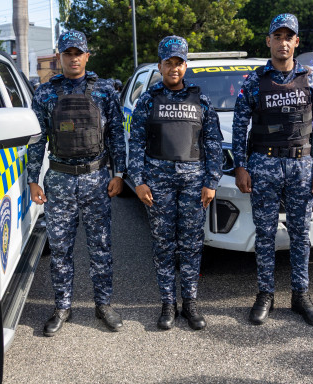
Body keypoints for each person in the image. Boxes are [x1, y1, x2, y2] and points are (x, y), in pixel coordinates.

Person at [232, 13, 313, 328]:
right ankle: (265, 294)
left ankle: (301, 295)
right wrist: (240, 166)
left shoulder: (312, 79)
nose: (283, 43)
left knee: (301, 234)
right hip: (263, 165)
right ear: (269, 41)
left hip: (302, 167)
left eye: (289, 37)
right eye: (278, 37)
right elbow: (239, 126)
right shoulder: (254, 81)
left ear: (296, 42)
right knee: (264, 234)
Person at [28, 29, 127, 337]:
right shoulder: (45, 93)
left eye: (78, 53)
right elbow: (36, 140)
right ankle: (62, 307)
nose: (73, 58)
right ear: (60, 57)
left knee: (101, 247)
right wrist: (33, 180)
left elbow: (116, 135)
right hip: (59, 180)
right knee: (60, 250)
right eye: (68, 53)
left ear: (87, 56)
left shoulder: (105, 91)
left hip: (96, 179)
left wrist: (119, 174)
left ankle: (103, 305)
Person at [128, 36, 223, 331]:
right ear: (160, 66)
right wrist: (139, 182)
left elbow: (213, 143)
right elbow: (136, 143)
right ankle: (168, 303)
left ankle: (190, 303)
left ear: (185, 65)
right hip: (158, 185)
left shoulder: (201, 100)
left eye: (179, 62)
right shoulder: (148, 100)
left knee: (192, 245)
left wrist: (211, 181)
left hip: (194, 184)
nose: (174, 68)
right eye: (168, 62)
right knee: (163, 245)